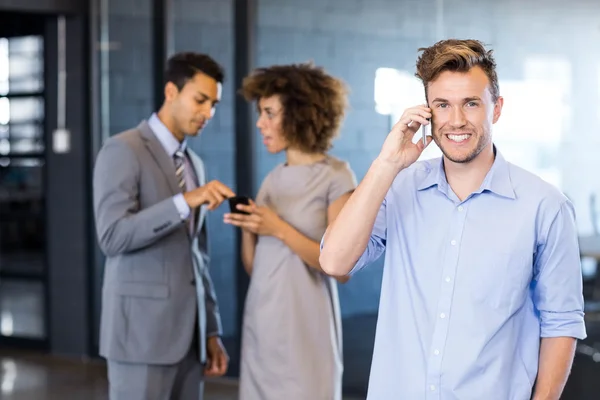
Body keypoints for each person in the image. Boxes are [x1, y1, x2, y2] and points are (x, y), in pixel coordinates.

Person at [320, 39, 587, 399]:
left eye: (471, 104)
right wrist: (386, 164)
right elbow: (334, 260)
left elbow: (561, 322)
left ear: (497, 108)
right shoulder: (399, 186)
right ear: (427, 111)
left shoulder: (545, 206)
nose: (456, 120)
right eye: (442, 105)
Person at [93, 52, 233, 400]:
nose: (208, 114)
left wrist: (211, 331)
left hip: (190, 339)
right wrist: (184, 202)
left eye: (213, 104)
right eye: (200, 100)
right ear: (171, 91)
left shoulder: (193, 163)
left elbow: (198, 257)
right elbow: (112, 236)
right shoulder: (122, 150)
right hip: (140, 339)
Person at [223, 62, 356, 400]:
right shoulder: (272, 179)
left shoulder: (336, 176)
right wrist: (249, 228)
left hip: (305, 328)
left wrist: (278, 227)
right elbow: (257, 267)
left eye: (269, 113)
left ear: (298, 115)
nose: (260, 123)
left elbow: (341, 269)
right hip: (262, 324)